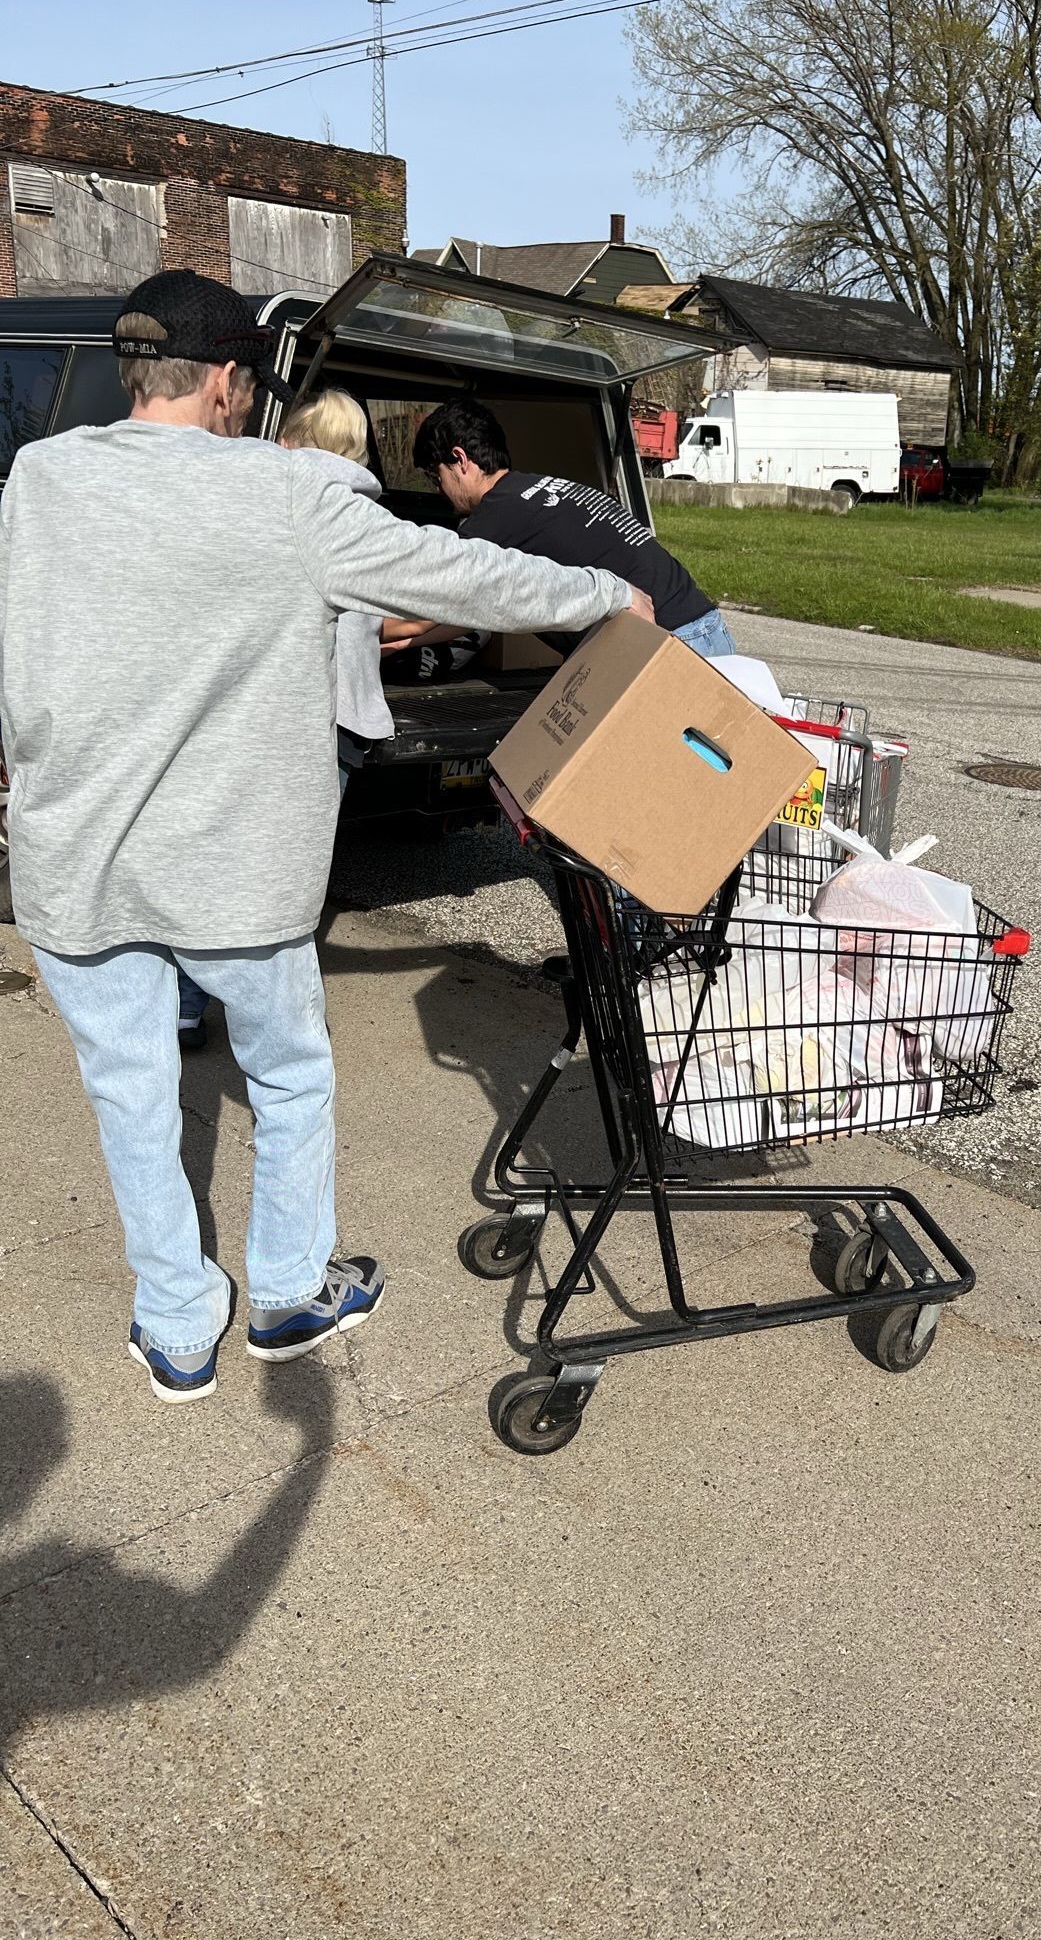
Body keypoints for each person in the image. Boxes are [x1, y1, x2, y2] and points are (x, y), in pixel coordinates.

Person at [0, 268, 652, 1405]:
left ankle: (176, 1325)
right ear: (224, 383)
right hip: (233, 872)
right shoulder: (289, 495)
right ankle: (292, 1291)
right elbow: (466, 572)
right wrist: (604, 587)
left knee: (132, 1089)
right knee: (290, 1077)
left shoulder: (38, 478)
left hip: (72, 860)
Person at [175, 385, 392, 1051]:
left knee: (222, 864)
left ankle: (187, 1007)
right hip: (345, 721)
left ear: (294, 439)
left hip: (275, 714)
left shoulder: (273, 505)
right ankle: (270, 1024)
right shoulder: (371, 520)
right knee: (291, 884)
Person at [410, 396, 735, 659]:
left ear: (460, 459)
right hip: (706, 629)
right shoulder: (539, 488)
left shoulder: (496, 516)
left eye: (435, 476)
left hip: (666, 644)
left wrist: (390, 639)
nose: (439, 490)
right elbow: (472, 610)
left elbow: (438, 600)